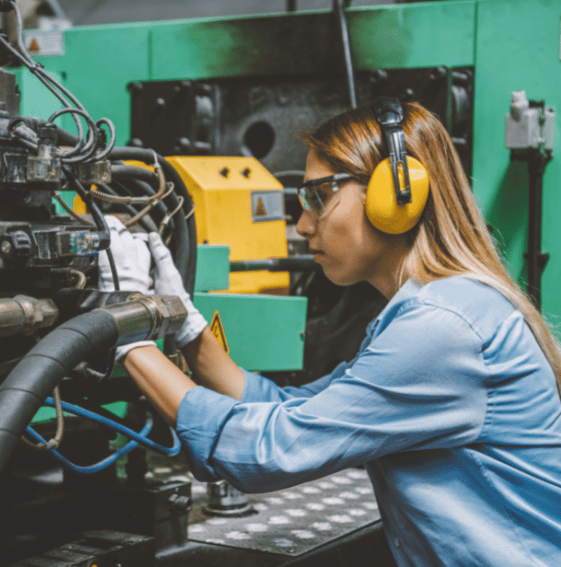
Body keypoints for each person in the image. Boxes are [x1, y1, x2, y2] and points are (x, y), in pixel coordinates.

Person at [100, 99, 561, 566]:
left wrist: (127, 328)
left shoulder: (443, 329)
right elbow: (290, 410)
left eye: (318, 197)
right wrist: (184, 325)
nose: (302, 225)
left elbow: (269, 450)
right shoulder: (434, 312)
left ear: (396, 194)